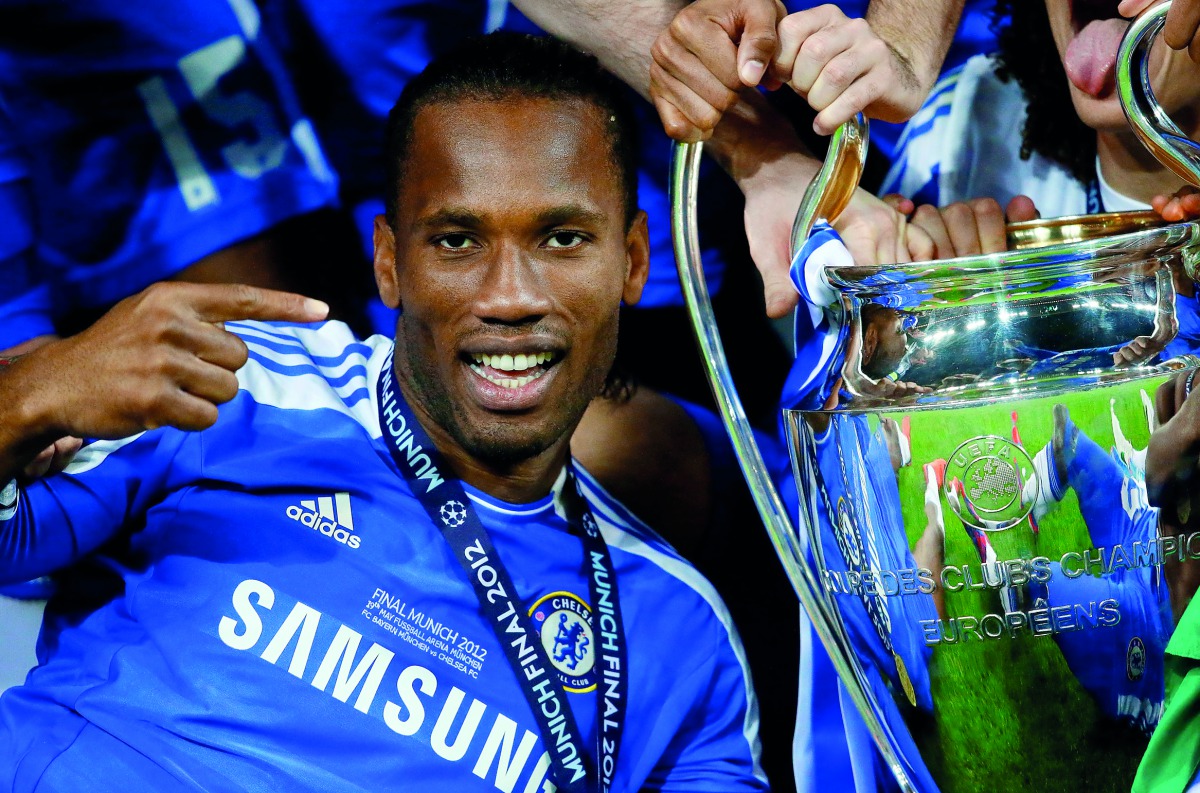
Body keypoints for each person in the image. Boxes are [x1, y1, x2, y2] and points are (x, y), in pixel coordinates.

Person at [0, 33, 768, 792]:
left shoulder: (676, 637)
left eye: (562, 238)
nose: (510, 297)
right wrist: (27, 395)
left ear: (634, 259)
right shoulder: (238, 385)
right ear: (390, 262)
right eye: (458, 241)